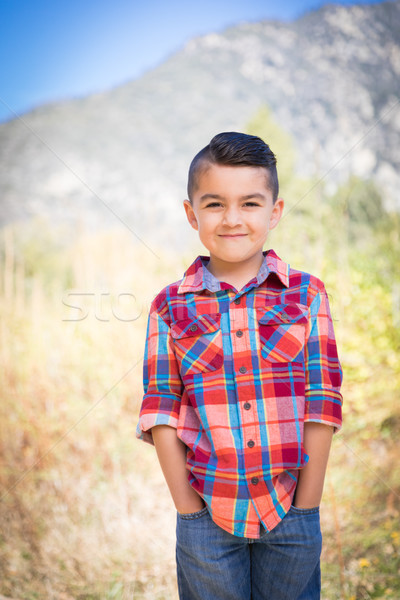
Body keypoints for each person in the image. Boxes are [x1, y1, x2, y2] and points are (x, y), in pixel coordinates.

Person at [136, 132, 343, 600]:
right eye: (214, 205)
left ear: (275, 211)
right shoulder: (169, 305)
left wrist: (306, 507)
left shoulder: (307, 295)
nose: (232, 219)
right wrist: (188, 511)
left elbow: (322, 402)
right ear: (192, 214)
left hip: (290, 514)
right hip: (208, 517)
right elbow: (161, 410)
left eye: (250, 204)